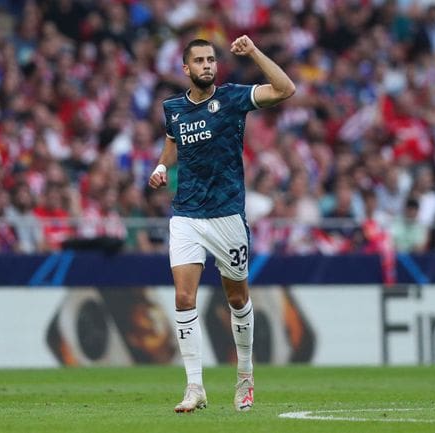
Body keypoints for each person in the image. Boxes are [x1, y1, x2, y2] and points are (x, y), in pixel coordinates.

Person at [148, 35, 295, 413]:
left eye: (211, 59)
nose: (207, 66)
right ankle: (194, 386)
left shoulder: (231, 98)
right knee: (183, 297)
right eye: (199, 61)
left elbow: (285, 89)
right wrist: (163, 165)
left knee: (237, 298)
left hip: (228, 214)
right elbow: (173, 140)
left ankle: (245, 375)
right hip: (186, 215)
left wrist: (255, 53)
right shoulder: (174, 108)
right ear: (186, 69)